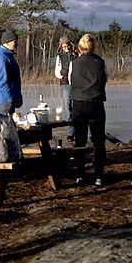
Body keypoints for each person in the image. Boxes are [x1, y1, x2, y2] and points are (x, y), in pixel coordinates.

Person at [69, 34, 108, 185]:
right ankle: (98, 176)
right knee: (99, 141)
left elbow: (72, 80)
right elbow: (105, 78)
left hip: (79, 104)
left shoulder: (74, 63)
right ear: (93, 47)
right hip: (96, 103)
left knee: (80, 141)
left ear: (79, 48)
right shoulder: (101, 62)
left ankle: (80, 175)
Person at [0, 29, 23, 116]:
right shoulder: (2, 57)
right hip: (4, 100)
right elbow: (2, 81)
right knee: (6, 127)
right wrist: (9, 99)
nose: (16, 44)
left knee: (9, 126)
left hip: (8, 99)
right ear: (7, 42)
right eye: (14, 42)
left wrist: (17, 97)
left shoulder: (8, 55)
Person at [54, 34, 77, 140]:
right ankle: (70, 132)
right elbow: (57, 71)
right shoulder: (60, 56)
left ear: (70, 44)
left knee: (77, 108)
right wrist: (62, 75)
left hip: (77, 84)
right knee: (67, 108)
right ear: (61, 46)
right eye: (64, 46)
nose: (66, 48)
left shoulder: (76, 54)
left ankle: (79, 131)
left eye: (67, 45)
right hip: (65, 84)